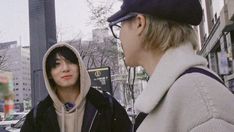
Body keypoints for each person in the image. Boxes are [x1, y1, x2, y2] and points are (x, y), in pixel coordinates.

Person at [107, 0, 234, 132]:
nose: (120, 36)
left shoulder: (199, 102)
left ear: (140, 23)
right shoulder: (181, 94)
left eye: (120, 25)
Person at [21, 42, 131, 132]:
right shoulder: (38, 115)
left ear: (80, 67)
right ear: (49, 74)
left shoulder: (106, 106)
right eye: (57, 64)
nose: (65, 68)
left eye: (70, 62)